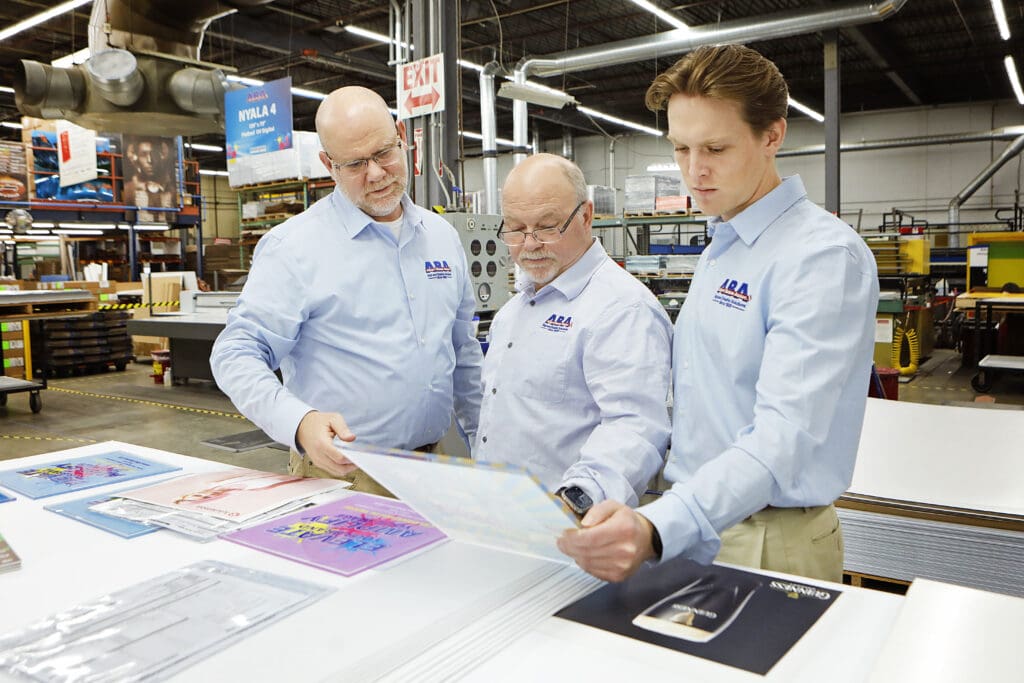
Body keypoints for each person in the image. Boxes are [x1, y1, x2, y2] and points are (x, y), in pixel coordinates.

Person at [558, 45, 879, 583]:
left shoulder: (820, 257)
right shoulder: (723, 244)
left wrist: (657, 527)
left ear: (772, 136)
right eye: (680, 148)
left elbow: (784, 438)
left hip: (768, 540)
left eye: (715, 148)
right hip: (700, 522)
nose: (694, 171)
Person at [210, 86, 483, 495]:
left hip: (436, 466)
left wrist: (484, 439)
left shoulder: (442, 237)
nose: (375, 174)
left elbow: (462, 351)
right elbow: (235, 353)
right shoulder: (295, 248)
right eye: (354, 163)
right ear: (328, 164)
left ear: (402, 135)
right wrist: (300, 422)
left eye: (383, 153)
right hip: (345, 476)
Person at [474, 153, 672, 511]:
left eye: (547, 227)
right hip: (495, 514)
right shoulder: (513, 311)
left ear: (585, 216)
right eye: (515, 229)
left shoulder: (621, 308)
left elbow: (635, 426)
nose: (530, 244)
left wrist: (578, 501)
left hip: (565, 523)